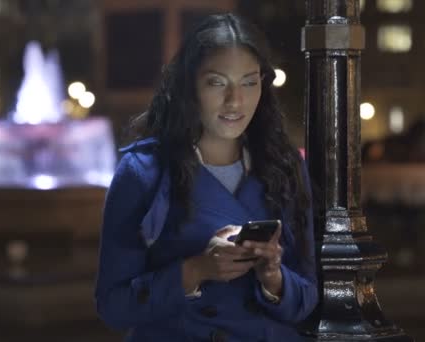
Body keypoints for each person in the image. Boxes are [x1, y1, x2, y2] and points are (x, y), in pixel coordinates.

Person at [95, 13, 318, 341]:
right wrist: (195, 271)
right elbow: (113, 306)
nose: (235, 100)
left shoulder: (284, 167)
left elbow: (308, 299)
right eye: (217, 82)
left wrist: (273, 277)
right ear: (189, 85)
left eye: (249, 81)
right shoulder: (144, 171)